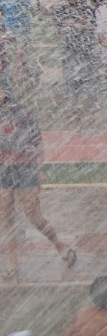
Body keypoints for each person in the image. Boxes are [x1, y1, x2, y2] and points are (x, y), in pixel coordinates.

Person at [0, 88, 74, 278]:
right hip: (2, 169)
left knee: (34, 216)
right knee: (6, 218)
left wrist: (39, 168)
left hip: (24, 167)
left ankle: (60, 246)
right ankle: (13, 265)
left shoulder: (21, 113)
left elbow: (37, 142)